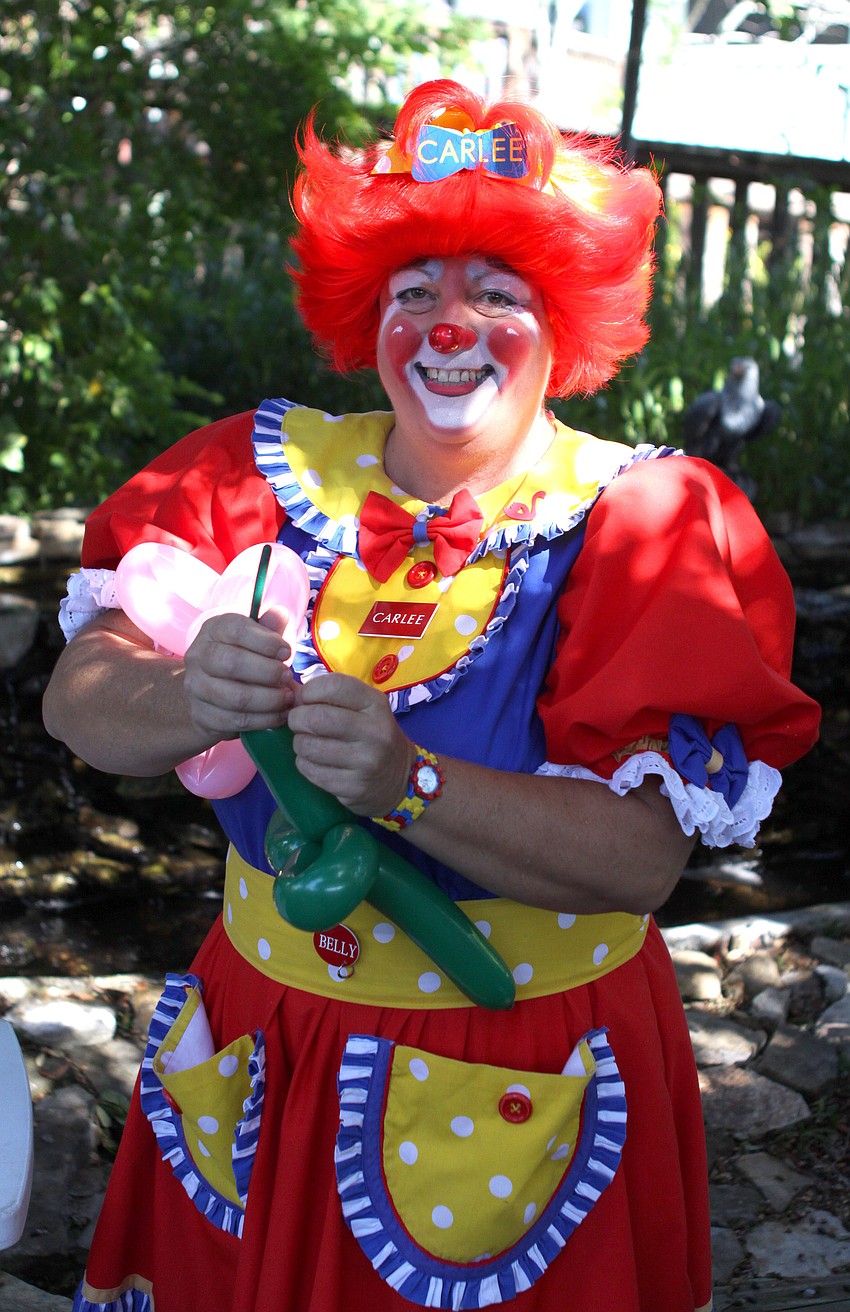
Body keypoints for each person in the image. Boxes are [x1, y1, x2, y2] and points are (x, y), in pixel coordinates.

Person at [43, 79, 819, 1312]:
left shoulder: (643, 521)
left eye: (498, 295)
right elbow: (79, 698)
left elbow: (637, 862)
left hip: (522, 1062)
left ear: (563, 321)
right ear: (369, 314)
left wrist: (407, 780)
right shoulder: (256, 472)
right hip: (266, 1034)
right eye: (414, 292)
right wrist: (194, 692)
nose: (449, 326)